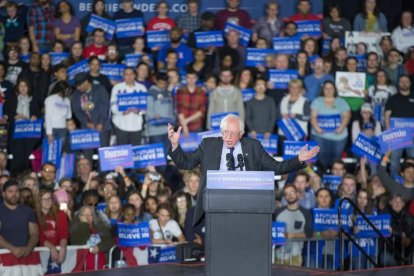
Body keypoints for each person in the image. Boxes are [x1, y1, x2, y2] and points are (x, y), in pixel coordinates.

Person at [167, 114, 320, 226]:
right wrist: (175, 145)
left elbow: (276, 167)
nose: (227, 137)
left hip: (248, 205)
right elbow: (185, 163)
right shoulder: (208, 145)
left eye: (233, 133)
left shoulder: (253, 146)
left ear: (241, 134)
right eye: (224, 132)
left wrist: (298, 159)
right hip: (215, 205)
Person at [0, 180, 40, 272]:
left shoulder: (28, 211)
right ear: (3, 194)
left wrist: (29, 248)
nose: (14, 194)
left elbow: (34, 233)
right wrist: (12, 249)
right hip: (4, 261)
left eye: (17, 191)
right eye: (10, 191)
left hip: (26, 260)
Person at [310, 80, 351, 171]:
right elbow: (313, 116)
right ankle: (323, 174)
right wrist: (317, 128)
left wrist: (341, 128)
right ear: (323, 90)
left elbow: (347, 116)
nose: (328, 90)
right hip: (320, 135)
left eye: (331, 88)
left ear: (334, 89)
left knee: (335, 159)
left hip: (338, 136)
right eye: (326, 88)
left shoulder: (341, 102)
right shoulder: (317, 101)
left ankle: (332, 176)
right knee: (321, 157)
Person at [3, 78, 41, 175]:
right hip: (16, 131)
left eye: (25, 86)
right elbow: (6, 112)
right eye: (21, 86)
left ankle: (27, 174)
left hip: (29, 131)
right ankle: (15, 175)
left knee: (27, 154)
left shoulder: (34, 100)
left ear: (28, 88)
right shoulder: (12, 99)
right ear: (17, 87)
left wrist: (34, 116)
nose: (23, 88)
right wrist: (15, 116)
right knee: (16, 153)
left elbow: (38, 114)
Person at [274, 184, 313, 266]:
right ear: (284, 197)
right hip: (278, 255)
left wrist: (292, 235)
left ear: (297, 194)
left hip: (296, 256)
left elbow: (309, 233)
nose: (290, 195)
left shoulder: (306, 212)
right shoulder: (277, 212)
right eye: (286, 193)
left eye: (292, 192)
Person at [71, 72, 111, 150]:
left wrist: (101, 123)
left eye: (79, 85)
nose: (78, 88)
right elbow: (77, 110)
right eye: (76, 86)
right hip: (86, 128)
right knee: (87, 154)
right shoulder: (76, 94)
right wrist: (86, 122)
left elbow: (104, 107)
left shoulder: (100, 89)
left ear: (86, 82)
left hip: (102, 127)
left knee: (103, 153)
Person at [384, 75, 414, 175]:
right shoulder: (392, 99)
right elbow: (387, 115)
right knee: (394, 160)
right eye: (402, 81)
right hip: (397, 135)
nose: (404, 83)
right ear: (398, 83)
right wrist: (389, 132)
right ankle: (395, 184)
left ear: (410, 83)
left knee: (413, 160)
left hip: (412, 135)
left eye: (406, 81)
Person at [110, 67, 147, 146]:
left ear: (134, 75)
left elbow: (146, 106)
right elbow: (112, 106)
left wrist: (139, 111)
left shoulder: (142, 88)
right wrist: (122, 112)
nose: (129, 76)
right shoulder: (117, 88)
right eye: (126, 74)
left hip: (137, 125)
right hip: (120, 124)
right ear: (123, 76)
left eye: (131, 74)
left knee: (136, 151)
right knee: (122, 152)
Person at [70, 205, 113, 270]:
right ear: (80, 217)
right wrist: (84, 224)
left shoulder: (100, 227)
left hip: (100, 266)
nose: (88, 217)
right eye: (85, 215)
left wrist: (99, 247)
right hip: (82, 267)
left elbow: (109, 242)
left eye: (90, 215)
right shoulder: (75, 229)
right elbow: (80, 242)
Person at [35, 189, 69, 264]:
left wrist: (63, 247)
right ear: (39, 201)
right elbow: (39, 236)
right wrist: (52, 248)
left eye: (49, 198)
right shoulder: (34, 216)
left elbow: (64, 233)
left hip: (59, 247)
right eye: (44, 199)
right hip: (42, 252)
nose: (47, 201)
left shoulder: (61, 214)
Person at [146, 72, 175, 147]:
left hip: (167, 130)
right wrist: (153, 115)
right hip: (155, 130)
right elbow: (148, 109)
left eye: (164, 83)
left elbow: (171, 109)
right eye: (160, 83)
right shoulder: (151, 92)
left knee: (167, 155)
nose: (162, 85)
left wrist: (173, 122)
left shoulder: (167, 93)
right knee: (158, 156)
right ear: (156, 81)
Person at [175, 70, 207, 135]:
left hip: (196, 126)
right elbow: (179, 109)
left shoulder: (201, 92)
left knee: (198, 145)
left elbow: (201, 111)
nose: (191, 80)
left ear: (196, 79)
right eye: (189, 77)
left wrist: (185, 122)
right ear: (186, 79)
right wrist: (184, 126)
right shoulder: (180, 91)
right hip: (182, 126)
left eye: (193, 77)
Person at [44, 80, 72, 146]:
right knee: (50, 150)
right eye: (66, 90)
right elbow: (47, 117)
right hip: (52, 127)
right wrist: (49, 133)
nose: (67, 92)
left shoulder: (67, 100)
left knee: (61, 149)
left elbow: (69, 115)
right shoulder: (50, 99)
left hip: (63, 128)